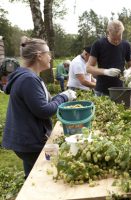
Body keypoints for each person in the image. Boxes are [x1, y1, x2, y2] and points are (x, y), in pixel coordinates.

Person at [2, 36, 76, 179]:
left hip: (26, 139)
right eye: (48, 53)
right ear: (39, 56)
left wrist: (61, 96)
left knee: (32, 177)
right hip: (29, 141)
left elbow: (42, 103)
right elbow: (44, 110)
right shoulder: (28, 79)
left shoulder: (29, 76)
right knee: (47, 176)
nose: (50, 57)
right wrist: (64, 96)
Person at [86, 19, 131, 96]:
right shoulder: (98, 44)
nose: (117, 41)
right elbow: (88, 68)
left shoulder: (126, 45)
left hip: (119, 90)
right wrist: (105, 72)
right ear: (108, 32)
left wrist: (129, 71)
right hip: (102, 91)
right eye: (114, 38)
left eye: (119, 38)